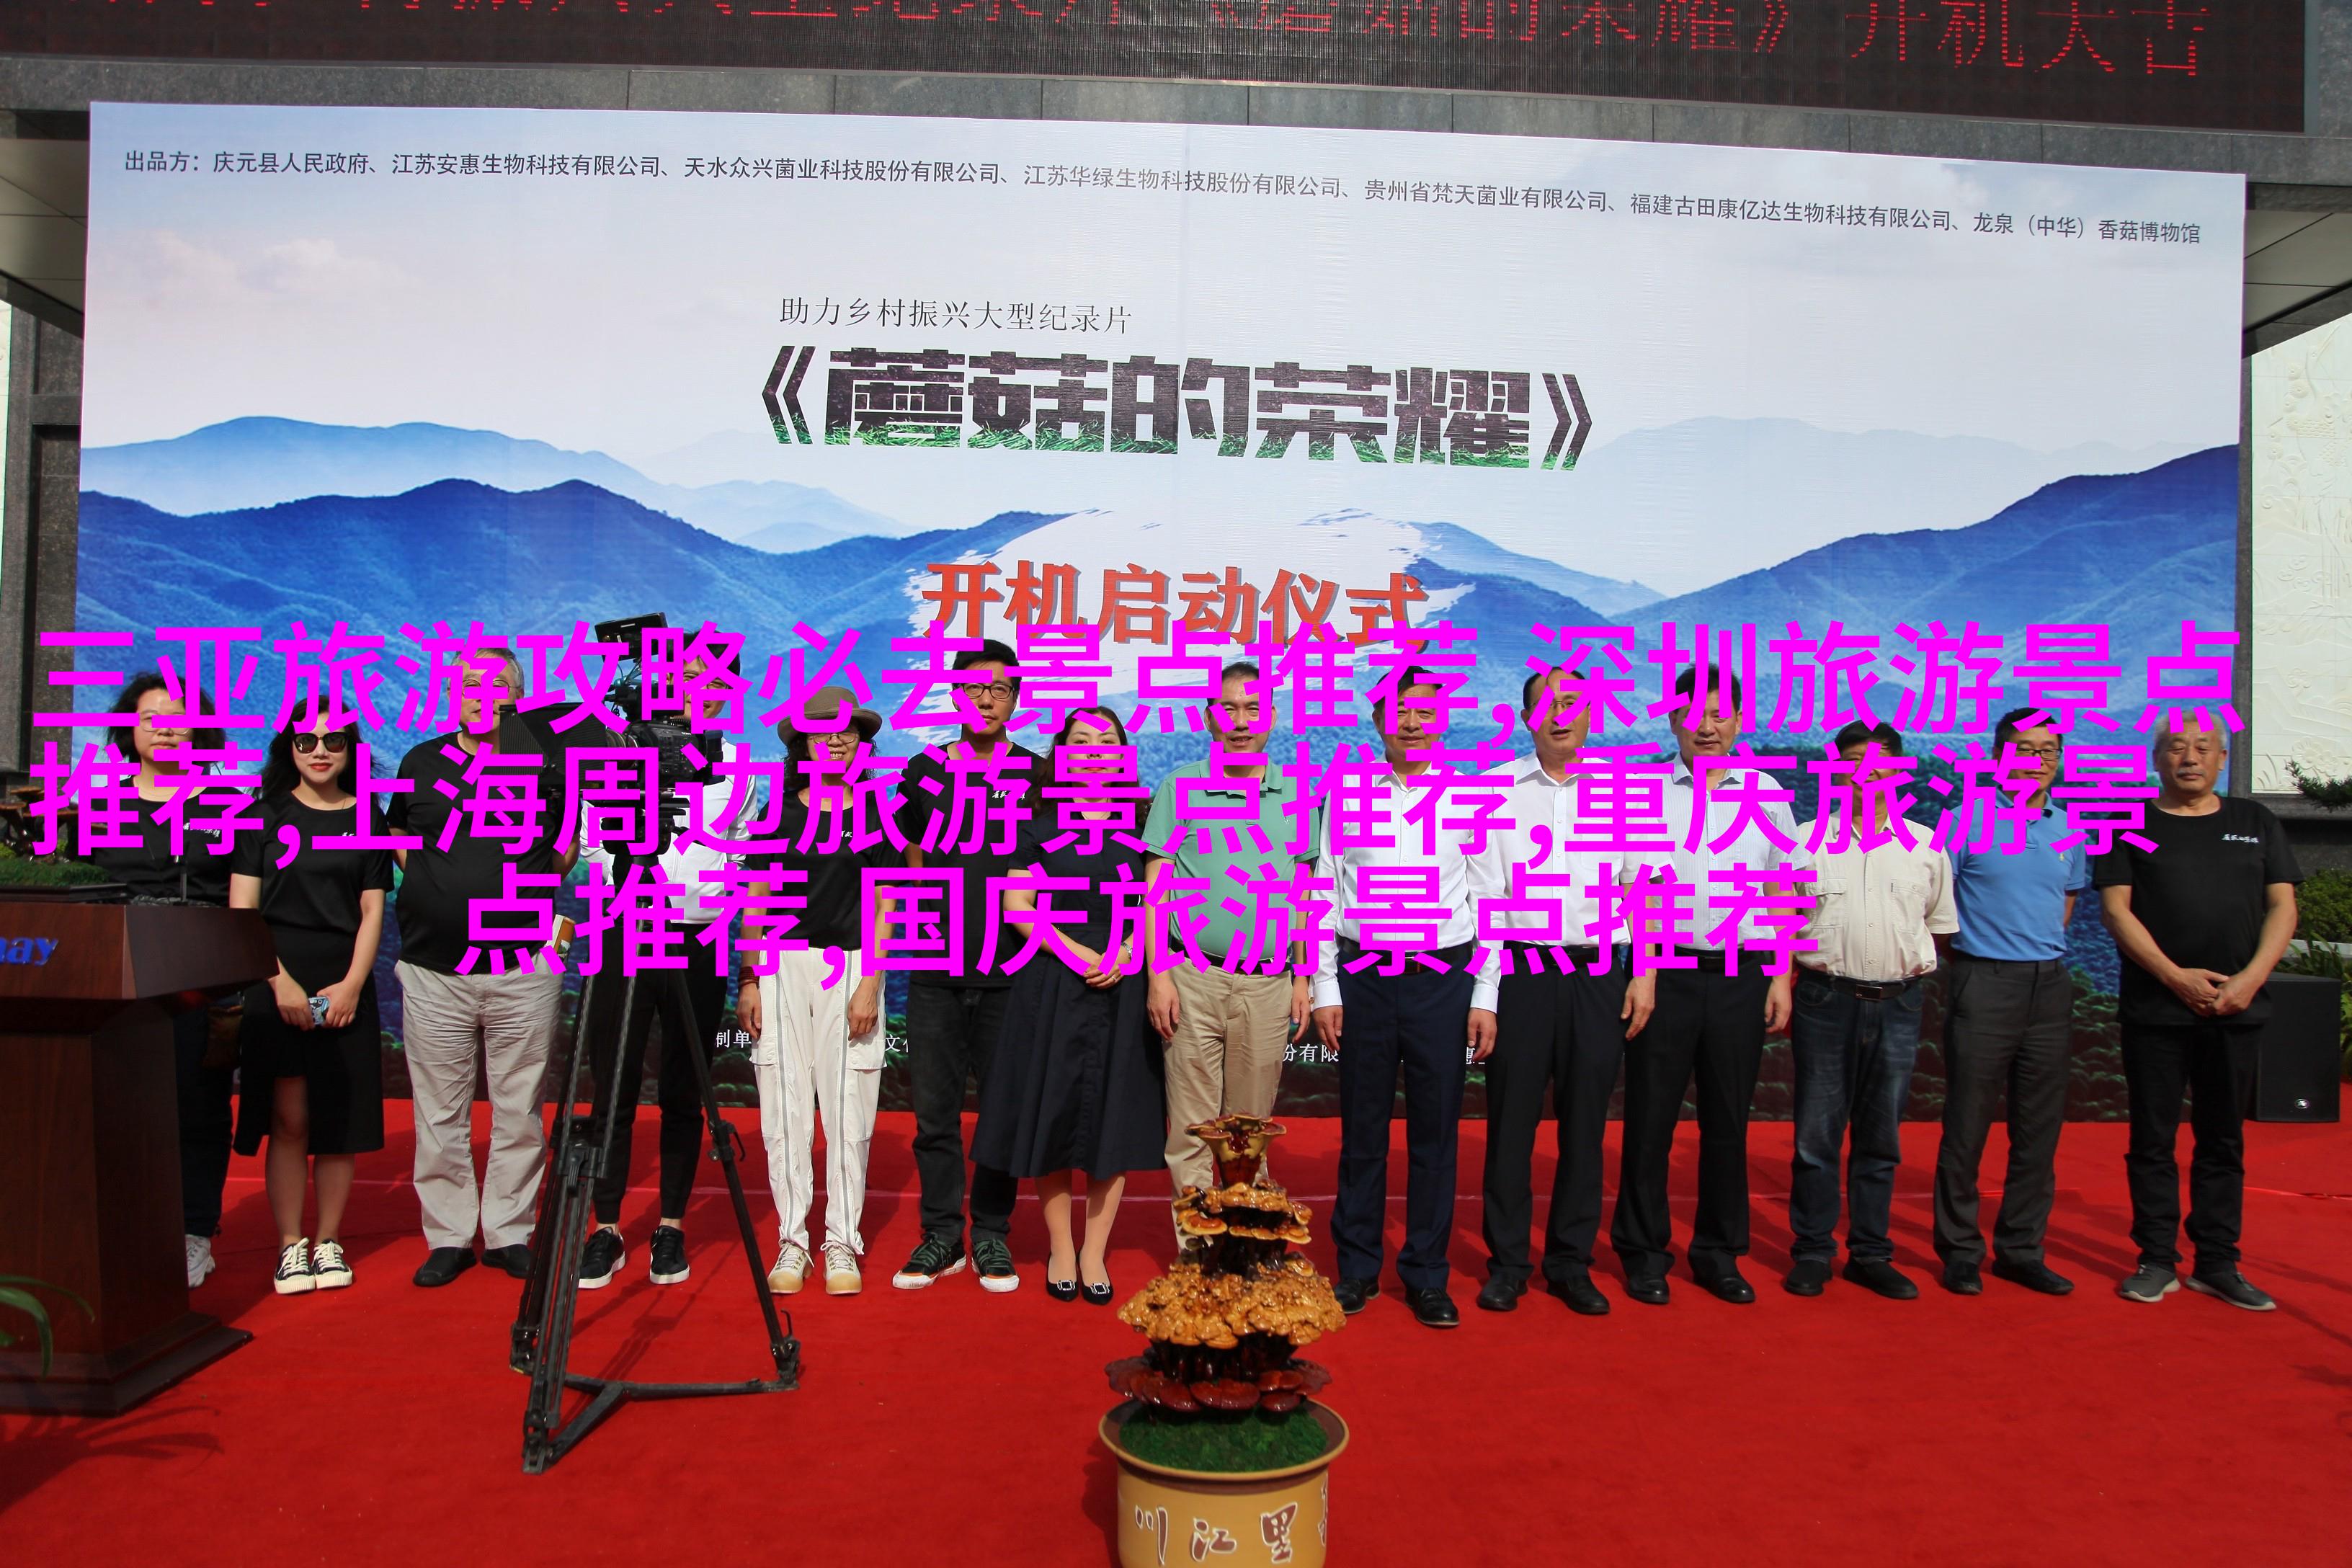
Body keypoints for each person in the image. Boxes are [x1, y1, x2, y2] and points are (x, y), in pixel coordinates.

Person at [1310, 669, 1499, 1329]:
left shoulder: (1469, 798)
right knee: (1362, 1131)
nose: (1411, 724)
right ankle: (1357, 1268)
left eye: (1423, 712)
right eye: (1399, 713)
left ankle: (1426, 1274)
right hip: (1363, 979)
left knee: (1435, 1134)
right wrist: (1325, 985)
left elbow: (1489, 901)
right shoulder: (1348, 794)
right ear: (1378, 722)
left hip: (1442, 983)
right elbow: (1325, 890)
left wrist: (1485, 994)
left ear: (1442, 719)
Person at [2096, 718, 2300, 1311]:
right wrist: (2174, 977)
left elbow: (2283, 907)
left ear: (2222, 759)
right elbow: (2117, 911)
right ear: (2156, 758)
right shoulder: (2127, 821)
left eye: (2203, 748)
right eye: (2176, 748)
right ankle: (2156, 1259)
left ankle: (2217, 1262)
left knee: (2222, 1139)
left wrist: (2250, 980)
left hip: (2236, 1007)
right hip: (2156, 1009)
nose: (2190, 758)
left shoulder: (2255, 821)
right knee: (2152, 1139)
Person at [1611, 668, 1796, 1306]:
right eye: (1694, 716)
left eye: (1720, 716)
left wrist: (1781, 974)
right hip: (1664, 976)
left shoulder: (1765, 793)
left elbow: (1781, 889)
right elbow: (1633, 889)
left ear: (1740, 721)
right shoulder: (1644, 793)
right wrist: (1643, 974)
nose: (1707, 727)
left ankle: (1720, 1253)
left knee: (1727, 1122)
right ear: (1673, 721)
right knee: (1650, 1120)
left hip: (1743, 976)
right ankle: (1643, 1253)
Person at [390, 651, 576, 1288]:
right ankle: (448, 1236)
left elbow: (564, 849)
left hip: (522, 966)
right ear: (452, 694)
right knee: (438, 1110)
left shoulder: (546, 766)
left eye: (500, 684)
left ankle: (508, 1231)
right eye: (470, 683)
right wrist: (442, 894)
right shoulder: (421, 762)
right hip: (434, 968)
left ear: (518, 697)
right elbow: (400, 842)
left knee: (518, 1107)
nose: (484, 693)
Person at [1469, 667, 1650, 1318]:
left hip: (1598, 976)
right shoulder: (1495, 790)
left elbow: (1643, 885)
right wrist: (1485, 995)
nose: (1559, 714)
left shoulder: (1623, 791)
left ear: (1590, 714)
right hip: (1520, 975)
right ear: (1526, 719)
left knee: (1585, 1125)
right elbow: (1484, 899)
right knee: (1510, 1125)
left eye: (1572, 703)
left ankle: (1571, 1262)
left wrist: (1646, 973)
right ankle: (1508, 1264)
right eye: (1546, 704)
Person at [974, 708, 1167, 1304]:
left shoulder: (1142, 824)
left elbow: (1155, 902)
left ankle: (1093, 1252)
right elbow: (1017, 906)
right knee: (1053, 1117)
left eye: (1106, 740)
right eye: (1080, 740)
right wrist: (1077, 952)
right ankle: (1061, 1246)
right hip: (1053, 982)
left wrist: (1129, 951)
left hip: (1124, 984)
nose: (1094, 749)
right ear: (1061, 752)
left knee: (1115, 1121)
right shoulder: (1036, 825)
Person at [573, 658, 749, 1292]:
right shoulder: (618, 751)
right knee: (613, 1084)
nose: (706, 693)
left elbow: (739, 849)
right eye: (694, 678)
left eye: (720, 683)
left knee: (683, 1088)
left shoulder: (735, 764)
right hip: (620, 930)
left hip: (699, 936)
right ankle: (606, 1227)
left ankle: (670, 1225)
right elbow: (592, 844)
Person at [1782, 721, 1956, 1301]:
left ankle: (1871, 1253)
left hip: (1898, 1003)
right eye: (1853, 763)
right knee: (1816, 1137)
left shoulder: (1927, 847)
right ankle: (1812, 1251)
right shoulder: (1805, 842)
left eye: (1880, 763)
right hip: (1824, 1000)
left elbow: (1938, 928)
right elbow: (1782, 928)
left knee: (1881, 1137)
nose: (1867, 774)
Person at [1142, 660, 1313, 1231]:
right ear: (1209, 718)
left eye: (1253, 709)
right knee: (1192, 1132)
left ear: (1272, 717)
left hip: (1268, 983)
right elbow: (1156, 887)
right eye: (1229, 709)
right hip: (1192, 978)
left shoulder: (1295, 792)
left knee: (1249, 1133)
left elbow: (1305, 894)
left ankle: (1246, 1251)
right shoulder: (1181, 787)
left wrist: (1303, 977)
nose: (1241, 722)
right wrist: (1158, 975)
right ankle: (1197, 1253)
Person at [889, 638, 1038, 1293]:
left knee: (1002, 1109)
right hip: (935, 964)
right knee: (934, 1113)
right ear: (955, 696)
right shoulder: (923, 771)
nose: (985, 699)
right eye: (974, 688)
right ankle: (942, 1234)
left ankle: (993, 1233)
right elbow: (911, 854)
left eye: (999, 689)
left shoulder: (1037, 774)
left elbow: (1047, 864)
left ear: (1015, 700)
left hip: (1013, 968)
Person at [229, 710, 395, 1294]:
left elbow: (373, 911)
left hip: (345, 982)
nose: (320, 750)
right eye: (307, 740)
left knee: (337, 1120)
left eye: (334, 741)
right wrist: (279, 983)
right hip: (276, 980)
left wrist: (352, 984)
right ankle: (289, 1245)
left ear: (351, 749)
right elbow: (243, 913)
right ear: (289, 747)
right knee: (290, 1118)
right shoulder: (259, 817)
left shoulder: (368, 818)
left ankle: (328, 1240)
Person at [736, 687, 894, 1296]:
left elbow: (886, 902)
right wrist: (749, 978)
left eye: (846, 730)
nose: (835, 739)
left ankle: (841, 1243)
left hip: (852, 965)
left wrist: (871, 981)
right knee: (784, 1110)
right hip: (781, 967)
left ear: (860, 742)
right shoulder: (776, 813)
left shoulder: (875, 811)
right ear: (802, 744)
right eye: (821, 730)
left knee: (850, 1110)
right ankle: (793, 1241)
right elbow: (755, 898)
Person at [1932, 707, 2091, 1297]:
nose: (2037, 760)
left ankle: (2021, 1249)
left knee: (2038, 1129)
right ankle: (1960, 1250)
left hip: (2048, 985)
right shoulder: (1963, 820)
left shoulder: (2068, 828)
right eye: (2025, 748)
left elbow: (2065, 906)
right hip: (1983, 980)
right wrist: (1978, 962)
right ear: (1999, 757)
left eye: (2048, 751)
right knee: (1967, 1124)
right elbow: (1938, 908)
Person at [88, 674, 238, 1289]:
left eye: (179, 718)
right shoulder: (97, 806)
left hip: (198, 981)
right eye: (152, 718)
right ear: (129, 730)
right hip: (116, 980)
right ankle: (125, 1226)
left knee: (197, 1107)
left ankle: (193, 1232)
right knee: (118, 1108)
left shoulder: (228, 806)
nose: (166, 729)